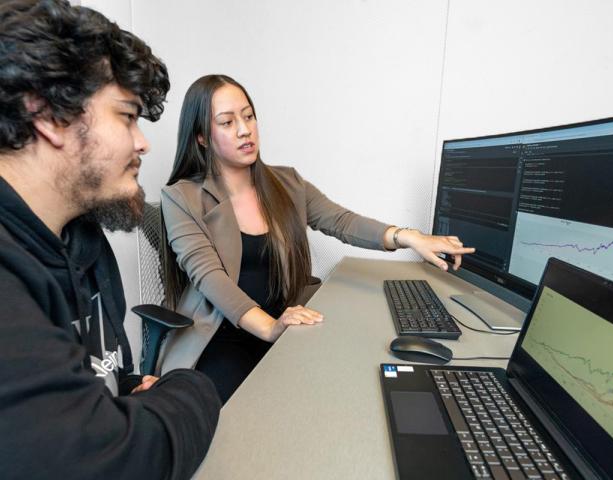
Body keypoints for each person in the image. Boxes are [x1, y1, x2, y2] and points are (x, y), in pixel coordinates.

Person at [0, 1, 220, 479]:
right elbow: (107, 463)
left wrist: (131, 394)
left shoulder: (85, 240)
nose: (142, 143)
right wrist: (190, 387)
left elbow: (105, 380)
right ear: (48, 115)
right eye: (127, 117)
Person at [159, 74, 475, 403]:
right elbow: (209, 277)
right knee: (235, 419)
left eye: (249, 116)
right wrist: (269, 328)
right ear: (202, 138)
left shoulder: (287, 182)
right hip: (222, 335)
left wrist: (410, 237)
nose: (244, 129)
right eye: (227, 122)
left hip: (286, 323)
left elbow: (341, 221)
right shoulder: (182, 197)